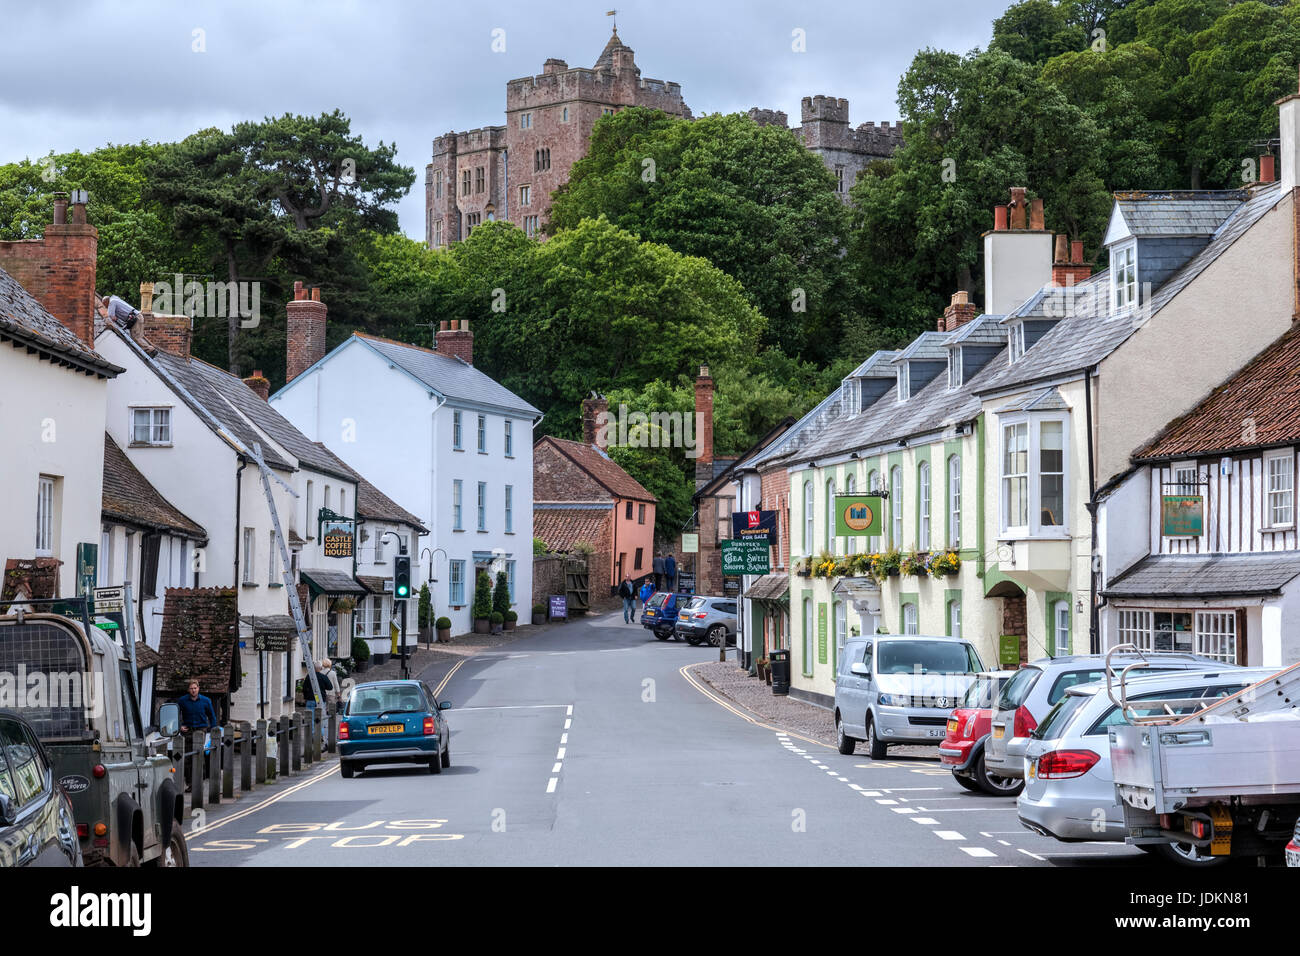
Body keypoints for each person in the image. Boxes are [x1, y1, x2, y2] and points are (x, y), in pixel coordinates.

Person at [176, 680, 217, 793]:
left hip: (201, 730)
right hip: (187, 730)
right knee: (188, 758)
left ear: (198, 688)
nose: (193, 690)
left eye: (195, 688)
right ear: (188, 689)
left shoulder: (206, 701)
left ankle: (199, 782)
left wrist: (214, 730)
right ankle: (190, 784)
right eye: (191, 688)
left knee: (199, 756)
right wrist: (179, 726)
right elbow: (175, 714)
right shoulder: (182, 701)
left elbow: (212, 716)